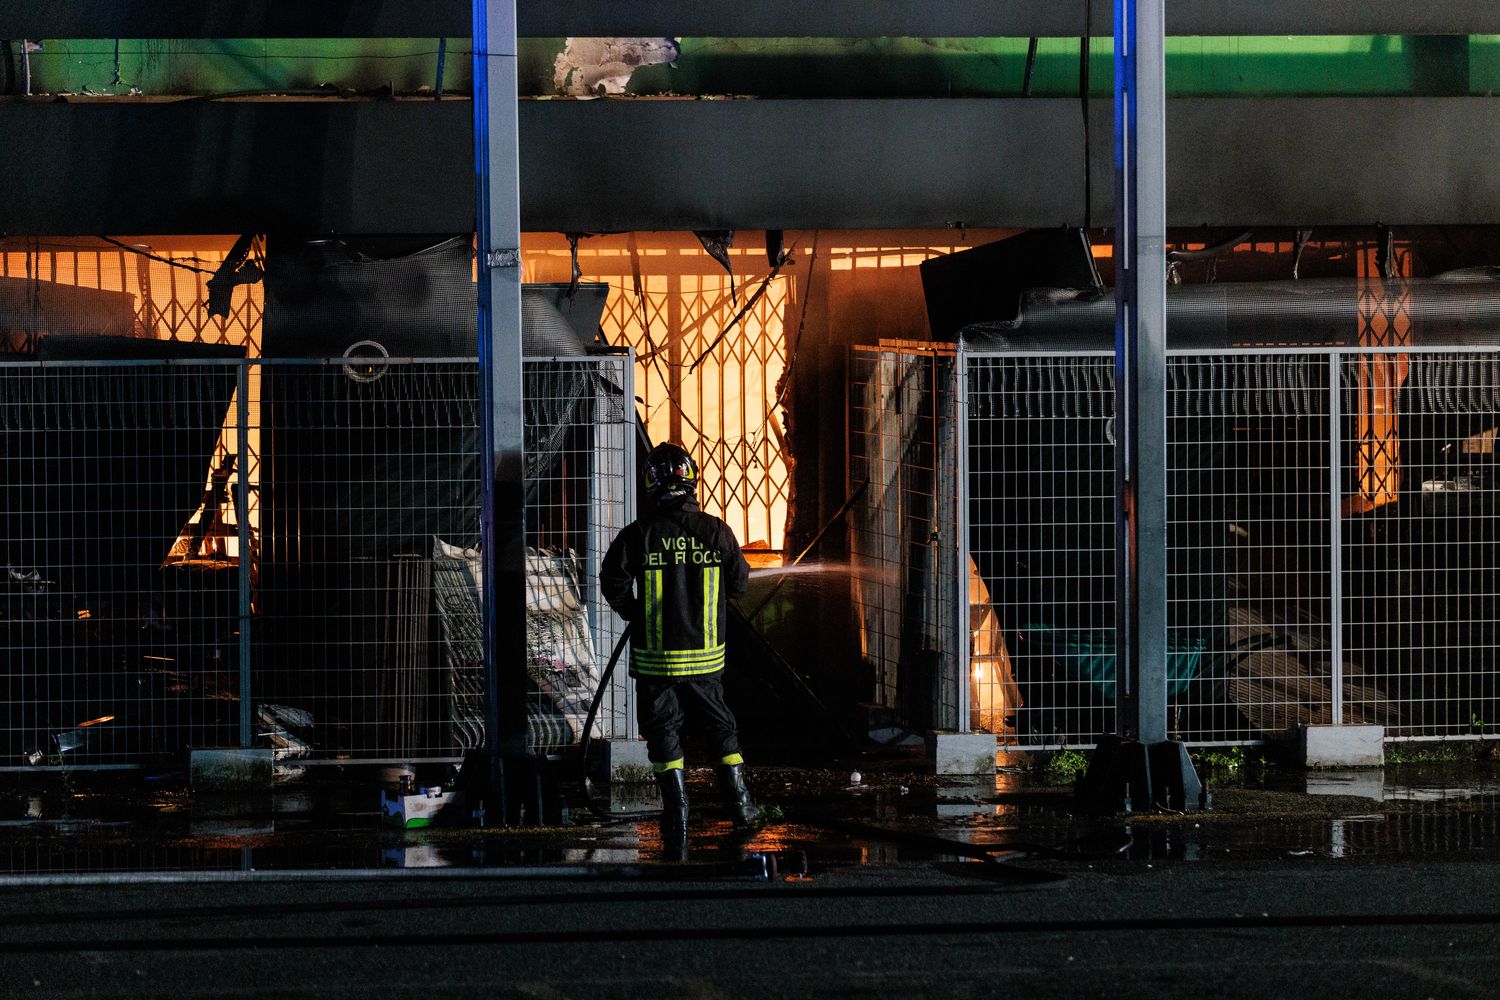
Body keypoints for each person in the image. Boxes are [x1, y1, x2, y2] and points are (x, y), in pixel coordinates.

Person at [600, 442, 761, 854]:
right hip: (706, 658)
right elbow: (740, 585)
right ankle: (742, 809)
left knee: (662, 733)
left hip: (656, 659)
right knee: (721, 728)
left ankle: (677, 814)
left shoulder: (638, 534)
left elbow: (612, 581)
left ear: (652, 485)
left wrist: (635, 612)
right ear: (692, 482)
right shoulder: (715, 531)